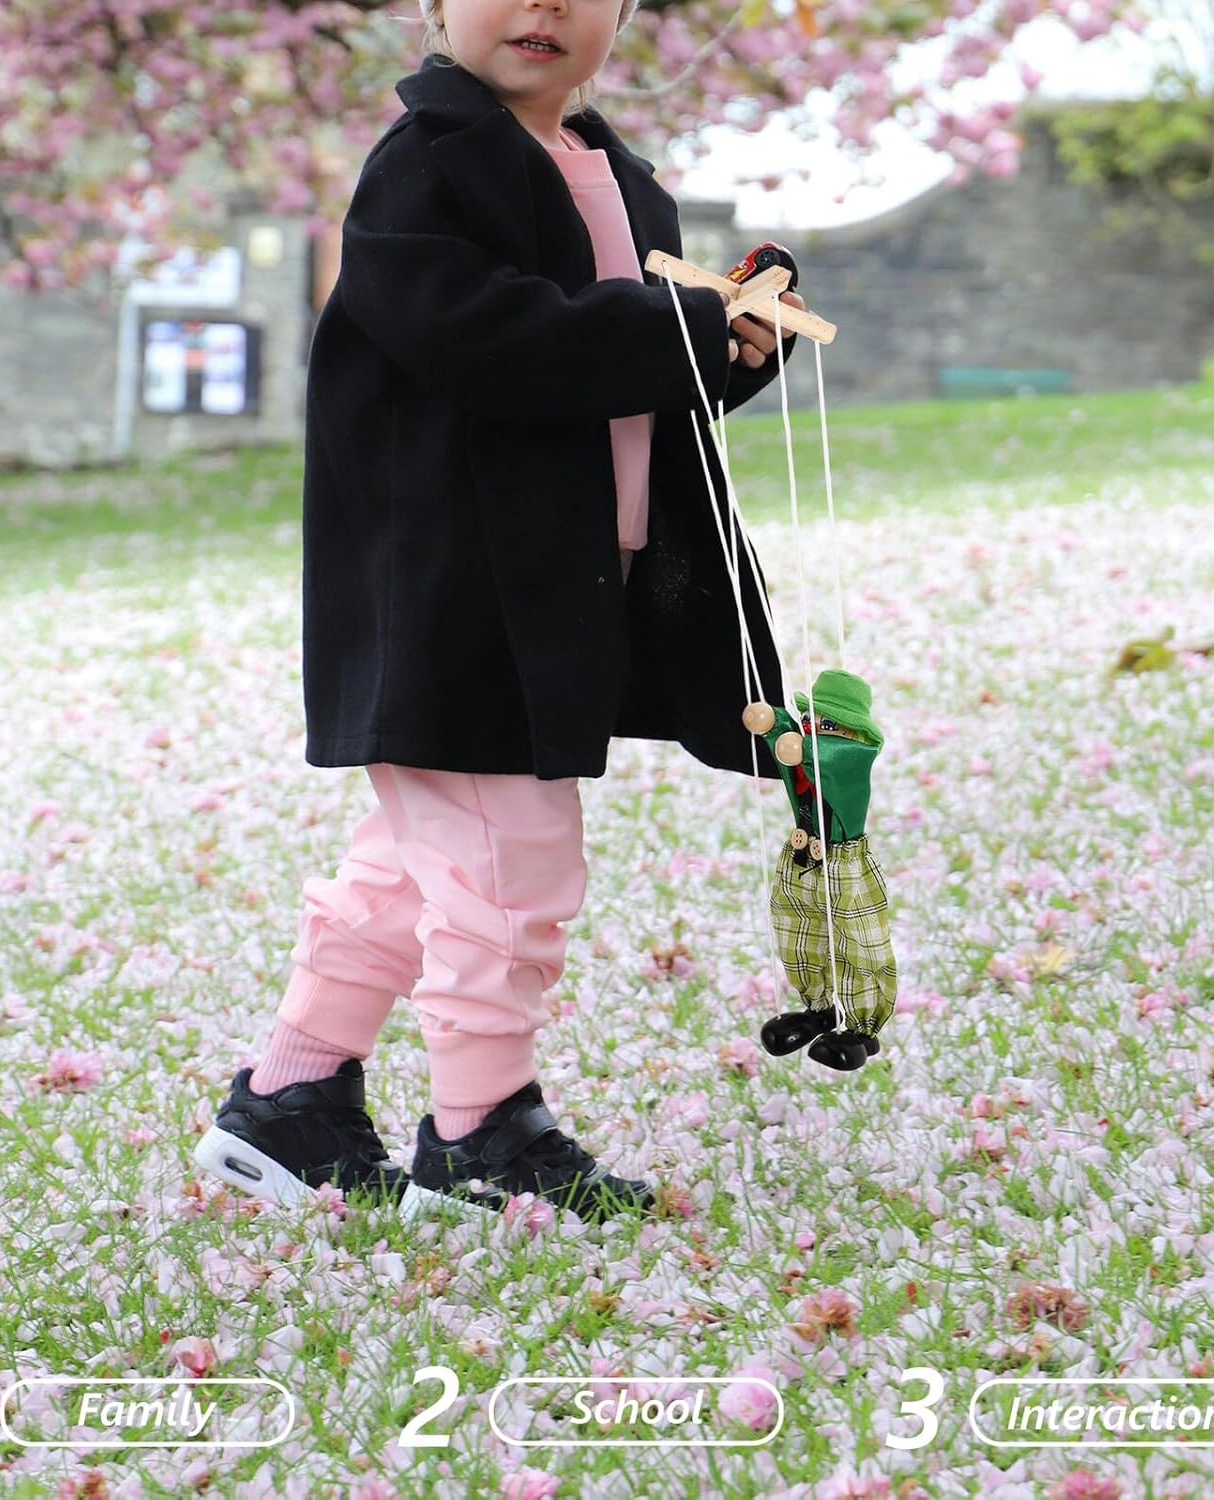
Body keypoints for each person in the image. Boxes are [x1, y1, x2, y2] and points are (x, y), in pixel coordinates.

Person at [192, 0, 805, 1223]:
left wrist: (732, 342)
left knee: (415, 868)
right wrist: (680, 329)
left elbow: (625, 384)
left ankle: (290, 1103)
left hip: (560, 580)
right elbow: (493, 343)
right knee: (510, 867)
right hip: (453, 581)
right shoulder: (425, 167)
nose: (544, 7)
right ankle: (480, 1135)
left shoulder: (619, 177)